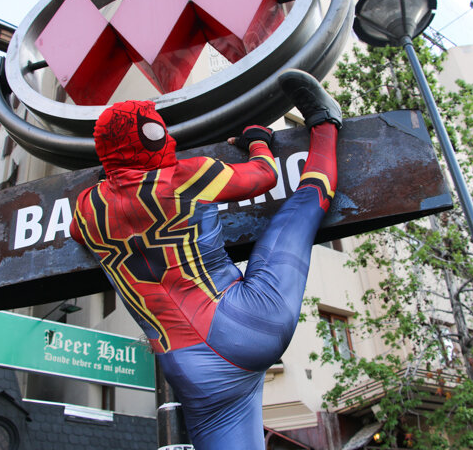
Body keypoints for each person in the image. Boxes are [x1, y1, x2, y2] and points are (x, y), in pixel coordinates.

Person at [70, 69, 342, 449]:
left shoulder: (87, 209)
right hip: (246, 320)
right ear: (151, 137)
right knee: (304, 207)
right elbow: (263, 176)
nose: (172, 137)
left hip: (188, 371)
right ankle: (326, 124)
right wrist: (258, 142)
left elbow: (76, 231)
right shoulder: (185, 176)